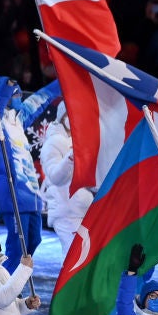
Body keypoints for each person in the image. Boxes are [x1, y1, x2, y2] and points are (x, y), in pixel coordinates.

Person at [0, 76, 61, 273]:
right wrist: (5, 87)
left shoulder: (17, 120)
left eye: (19, 93)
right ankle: (5, 287)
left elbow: (40, 98)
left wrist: (62, 81)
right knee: (17, 248)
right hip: (13, 193)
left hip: (31, 194)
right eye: (15, 94)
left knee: (34, 241)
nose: (19, 97)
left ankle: (11, 280)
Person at [40, 103, 94, 257]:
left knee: (83, 261)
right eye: (70, 114)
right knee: (75, 260)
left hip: (83, 210)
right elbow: (55, 177)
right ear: (62, 117)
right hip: (66, 212)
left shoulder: (79, 141)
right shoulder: (53, 142)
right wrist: (70, 158)